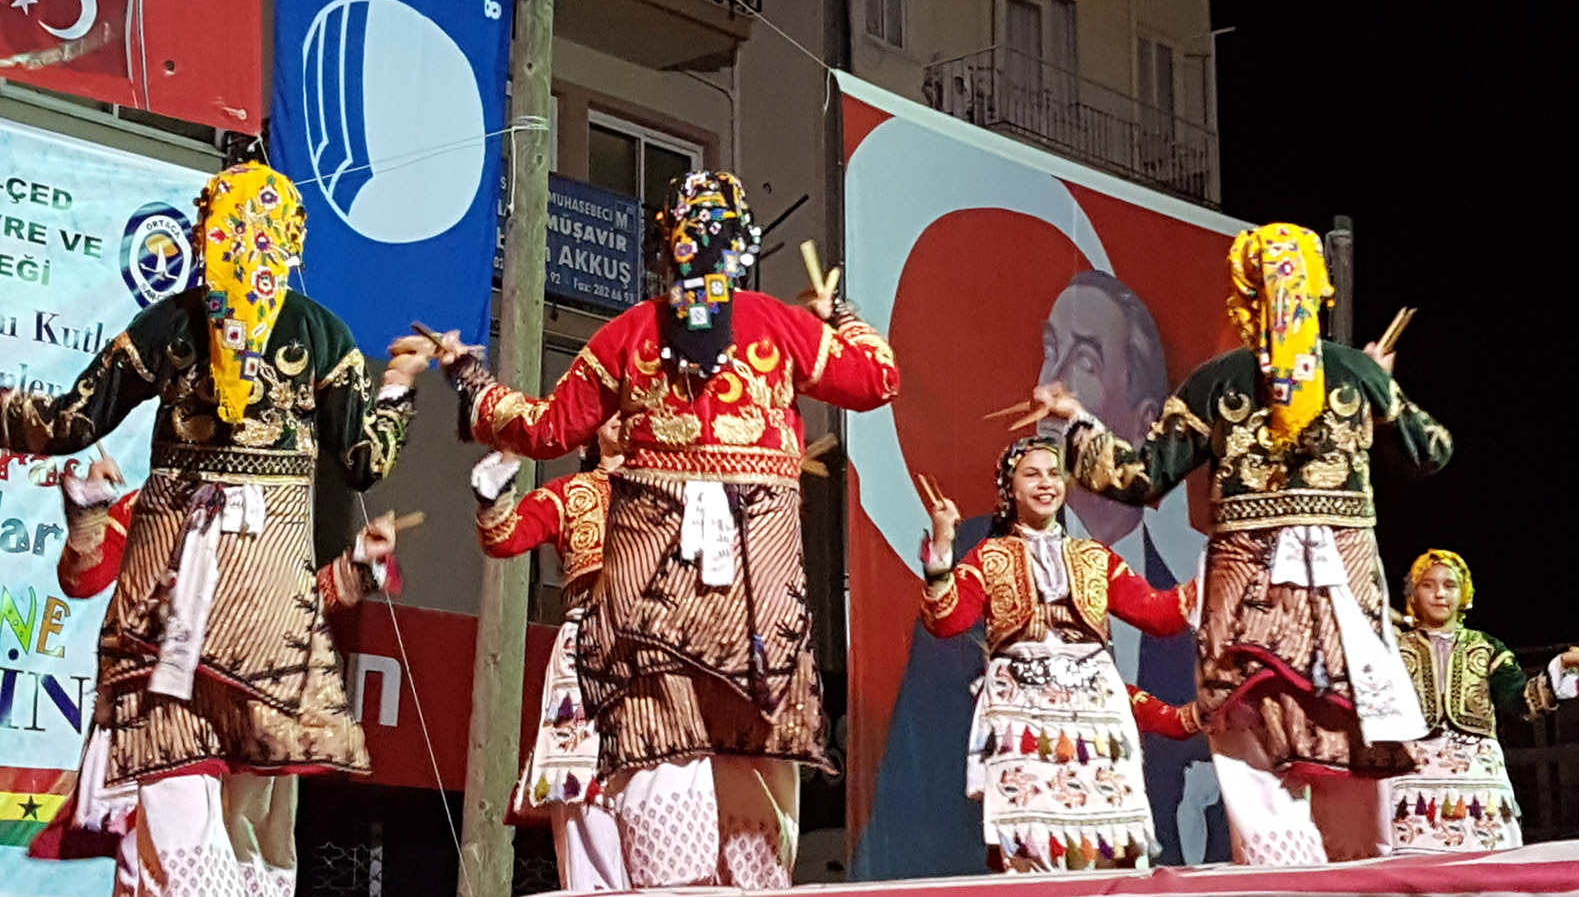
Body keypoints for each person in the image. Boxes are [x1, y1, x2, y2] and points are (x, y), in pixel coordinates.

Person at [395, 170, 900, 888]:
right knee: (755, 796)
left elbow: (543, 428)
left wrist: (470, 378)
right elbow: (878, 380)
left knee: (663, 775)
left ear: (667, 249)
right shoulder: (777, 326)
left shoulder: (627, 335)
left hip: (649, 600)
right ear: (743, 247)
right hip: (756, 604)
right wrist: (842, 315)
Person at [0, 162, 425, 896]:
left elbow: (66, 422)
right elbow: (365, 460)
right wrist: (396, 392)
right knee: (251, 820)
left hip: (165, 606)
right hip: (264, 617)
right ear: (291, 241)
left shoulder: (170, 323)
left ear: (208, 234)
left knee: (192, 800)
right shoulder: (323, 335)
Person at [1031, 222, 1452, 865]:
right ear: (1318, 291)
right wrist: (1378, 393)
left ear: (1244, 296)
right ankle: (1367, 877)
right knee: (1355, 749)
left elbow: (1140, 476)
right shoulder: (1356, 374)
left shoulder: (1216, 381)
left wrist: (1077, 423)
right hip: (1344, 598)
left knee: (1253, 765)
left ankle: (1278, 877)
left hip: (1246, 597)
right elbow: (1432, 453)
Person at [31, 453, 403, 886]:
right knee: (175, 869)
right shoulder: (153, 507)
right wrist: (89, 508)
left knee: (255, 865)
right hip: (169, 713)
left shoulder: (271, 512)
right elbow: (83, 577)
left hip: (250, 716)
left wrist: (360, 563)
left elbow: (292, 612)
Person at [918, 436, 1198, 872]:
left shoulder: (1094, 557)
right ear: (1010, 488)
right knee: (1030, 835)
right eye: (1031, 475)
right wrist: (942, 548)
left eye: (1053, 474)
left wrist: (1218, 569)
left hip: (1094, 708)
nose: (1045, 483)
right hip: (1021, 708)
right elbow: (946, 620)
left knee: (1109, 833)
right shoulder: (989, 557)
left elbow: (1159, 614)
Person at [1036, 270, 1223, 864]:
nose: (1051, 385)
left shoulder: (1173, 584)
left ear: (1145, 424)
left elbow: (1160, 624)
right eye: (1049, 352)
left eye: (1085, 364)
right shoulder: (983, 557)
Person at [469, 415, 628, 891]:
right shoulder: (570, 495)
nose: (623, 413)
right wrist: (497, 482)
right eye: (610, 405)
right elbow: (505, 536)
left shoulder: (680, 492)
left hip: (663, 654)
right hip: (588, 652)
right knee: (585, 800)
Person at [1391, 549, 1579, 855]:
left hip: (1478, 777)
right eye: (1428, 585)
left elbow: (1521, 701)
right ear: (1413, 593)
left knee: (1484, 866)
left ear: (1464, 594)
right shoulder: (1393, 647)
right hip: (1410, 772)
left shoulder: (1486, 647)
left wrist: (1563, 666)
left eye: (1449, 585)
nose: (1439, 594)